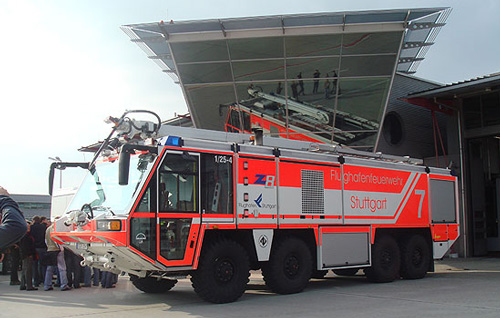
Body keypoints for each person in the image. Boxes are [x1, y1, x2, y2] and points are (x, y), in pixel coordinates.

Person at [44, 223, 71, 291]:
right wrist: (61, 248)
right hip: (57, 250)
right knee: (62, 268)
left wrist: (48, 247)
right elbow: (56, 240)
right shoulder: (55, 229)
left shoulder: (48, 229)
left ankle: (47, 285)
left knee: (49, 268)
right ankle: (64, 284)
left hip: (50, 249)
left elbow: (46, 240)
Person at [19, 221, 37, 290]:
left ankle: (23, 285)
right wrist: (29, 254)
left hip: (24, 254)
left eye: (29, 227)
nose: (29, 228)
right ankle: (29, 286)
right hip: (27, 254)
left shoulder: (24, 235)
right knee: (28, 270)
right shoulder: (26, 236)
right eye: (27, 227)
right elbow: (25, 247)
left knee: (24, 270)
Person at [30, 215, 47, 287]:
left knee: (35, 265)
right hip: (43, 247)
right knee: (43, 264)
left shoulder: (32, 228)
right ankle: (43, 279)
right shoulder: (43, 227)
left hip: (35, 248)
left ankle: (36, 281)